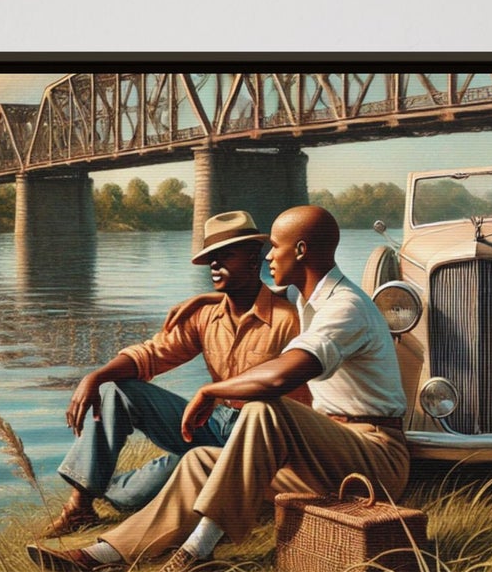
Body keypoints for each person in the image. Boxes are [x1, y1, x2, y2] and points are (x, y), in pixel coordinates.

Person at [28, 204, 409, 572]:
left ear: (301, 251)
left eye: (273, 248)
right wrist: (208, 299)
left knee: (265, 407)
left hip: (372, 454)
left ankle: (197, 552)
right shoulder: (310, 300)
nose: (268, 257)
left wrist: (211, 391)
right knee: (198, 463)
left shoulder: (343, 307)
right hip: (322, 455)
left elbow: (282, 377)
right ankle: (101, 555)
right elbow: (251, 296)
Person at [37, 209, 309, 538]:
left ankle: (118, 482)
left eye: (226, 255)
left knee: (131, 497)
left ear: (254, 259)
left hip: (262, 439)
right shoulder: (205, 316)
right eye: (211, 256)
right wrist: (94, 377)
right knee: (116, 390)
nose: (214, 264)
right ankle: (79, 506)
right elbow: (151, 355)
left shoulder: (292, 319)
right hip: (216, 422)